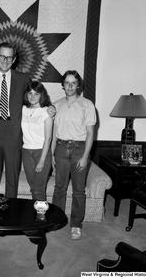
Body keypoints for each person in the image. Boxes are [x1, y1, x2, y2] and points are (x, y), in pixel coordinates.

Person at [51, 70, 96, 240]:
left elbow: (91, 133)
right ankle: (57, 219)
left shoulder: (87, 105)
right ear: (62, 85)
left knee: (78, 190)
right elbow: (54, 133)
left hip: (79, 149)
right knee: (59, 188)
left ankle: (76, 224)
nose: (70, 86)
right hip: (61, 149)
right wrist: (52, 155)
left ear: (78, 85)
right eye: (67, 83)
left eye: (73, 83)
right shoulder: (56, 105)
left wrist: (85, 156)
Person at [0, 42, 31, 198]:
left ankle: (11, 211)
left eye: (9, 57)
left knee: (12, 174)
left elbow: (34, 100)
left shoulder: (23, 79)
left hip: (13, 130)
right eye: (2, 56)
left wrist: (47, 108)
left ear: (14, 59)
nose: (5, 60)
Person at [21, 81, 53, 201]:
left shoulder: (46, 112)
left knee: (39, 189)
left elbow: (48, 138)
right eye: (30, 93)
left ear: (42, 95)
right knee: (33, 187)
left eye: (36, 94)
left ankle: (41, 217)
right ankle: (36, 213)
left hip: (41, 152)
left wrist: (42, 161)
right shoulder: (23, 109)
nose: (33, 96)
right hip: (26, 151)